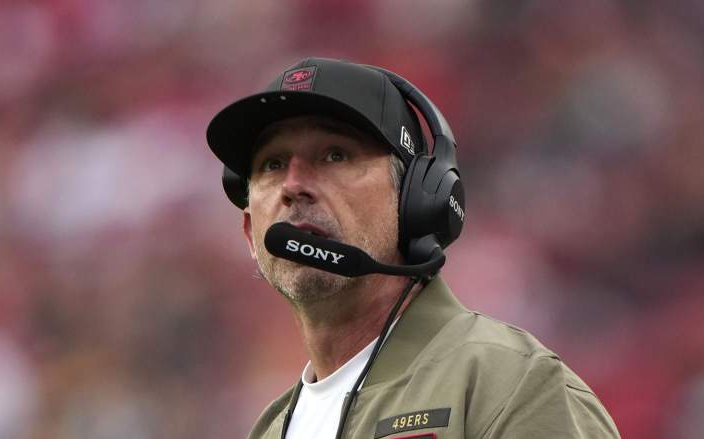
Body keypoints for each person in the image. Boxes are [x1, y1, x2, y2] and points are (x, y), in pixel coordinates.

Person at [206, 57, 620, 439]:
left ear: (417, 202)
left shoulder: (508, 384)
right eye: (272, 164)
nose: (294, 185)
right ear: (249, 232)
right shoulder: (271, 429)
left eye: (335, 155)